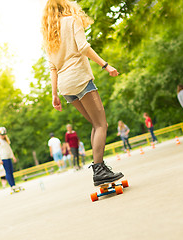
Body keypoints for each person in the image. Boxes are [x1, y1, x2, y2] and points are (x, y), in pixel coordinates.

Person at [42, 0, 124, 186]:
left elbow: (52, 68)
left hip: (65, 87)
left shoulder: (49, 34)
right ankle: (100, 170)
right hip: (79, 78)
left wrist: (54, 95)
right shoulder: (72, 20)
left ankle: (99, 169)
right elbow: (84, 47)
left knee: (95, 125)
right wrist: (105, 65)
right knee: (102, 124)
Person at [0, 127, 17, 193]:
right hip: (3, 158)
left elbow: (9, 148)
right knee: (8, 172)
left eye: (4, 134)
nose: (3, 135)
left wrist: (13, 156)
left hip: (8, 156)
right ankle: (12, 185)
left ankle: (14, 184)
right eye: (2, 134)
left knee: (11, 171)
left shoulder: (6, 140)